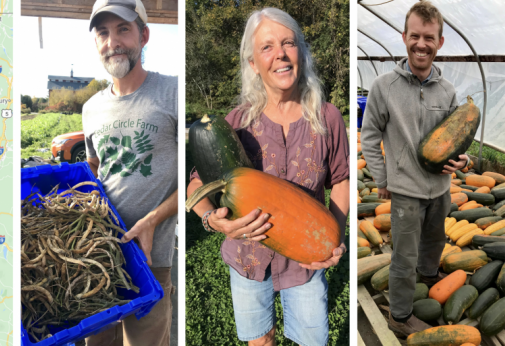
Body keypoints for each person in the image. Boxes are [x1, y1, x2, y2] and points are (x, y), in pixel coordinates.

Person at [186, 7, 349, 346]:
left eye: (289, 43)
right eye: (267, 47)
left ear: (301, 52)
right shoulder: (234, 124)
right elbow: (197, 185)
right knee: (259, 342)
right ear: (252, 64)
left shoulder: (328, 117)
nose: (281, 55)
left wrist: (332, 236)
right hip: (247, 259)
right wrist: (213, 221)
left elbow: (342, 179)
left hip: (306, 259)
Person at [359, 0, 469, 337]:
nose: (422, 44)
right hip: (405, 191)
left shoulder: (448, 90)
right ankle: (401, 315)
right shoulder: (383, 87)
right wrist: (382, 178)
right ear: (404, 36)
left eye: (429, 37)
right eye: (415, 36)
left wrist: (464, 162)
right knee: (402, 258)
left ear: (440, 42)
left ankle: (429, 276)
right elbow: (369, 134)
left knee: (434, 243)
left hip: (440, 190)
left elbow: (457, 139)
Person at [81, 0, 178, 345]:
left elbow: (193, 178)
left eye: (123, 29)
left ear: (144, 35)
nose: (113, 42)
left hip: (150, 260)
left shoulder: (172, 92)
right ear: (96, 43)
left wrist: (153, 218)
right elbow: (94, 166)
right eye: (103, 32)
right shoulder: (91, 108)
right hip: (96, 257)